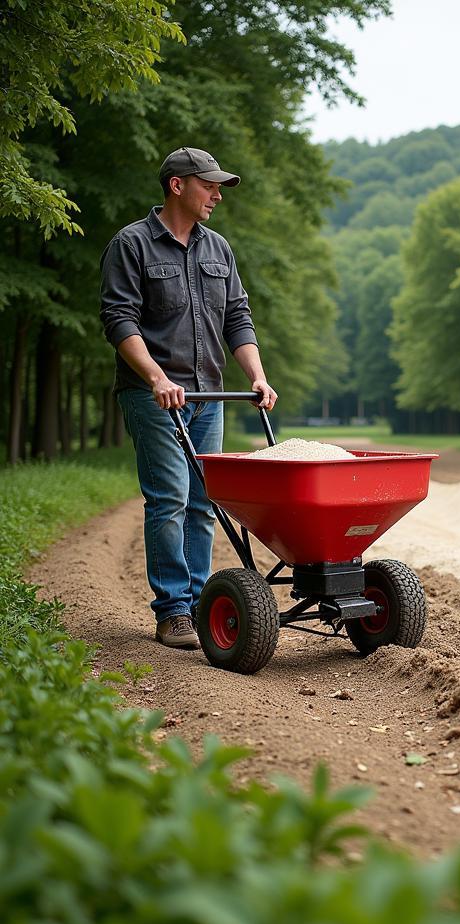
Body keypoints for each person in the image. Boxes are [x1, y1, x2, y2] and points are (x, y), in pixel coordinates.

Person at [100, 146, 277, 650]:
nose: (218, 195)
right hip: (155, 396)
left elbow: (237, 318)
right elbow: (119, 319)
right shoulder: (131, 245)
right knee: (170, 499)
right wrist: (156, 377)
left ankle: (202, 605)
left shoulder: (219, 249)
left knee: (205, 504)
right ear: (178, 185)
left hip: (210, 395)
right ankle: (173, 610)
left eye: (220, 186)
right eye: (210, 185)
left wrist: (258, 377)